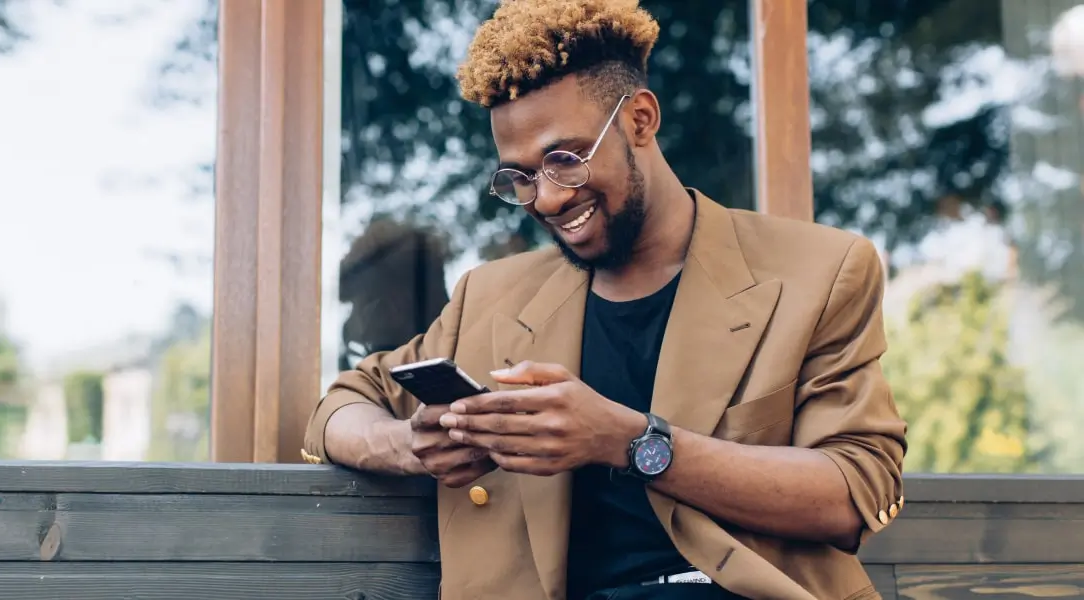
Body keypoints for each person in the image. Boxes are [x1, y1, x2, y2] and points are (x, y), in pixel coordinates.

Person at [301, 0, 908, 598]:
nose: (546, 198)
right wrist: (411, 446)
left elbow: (856, 491)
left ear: (640, 120)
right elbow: (341, 407)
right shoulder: (491, 296)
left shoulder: (819, 271)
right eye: (521, 176)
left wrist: (629, 440)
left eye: (565, 159)